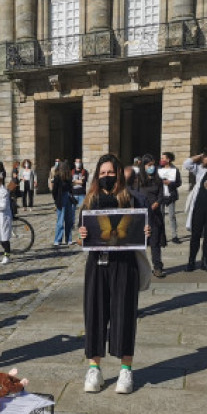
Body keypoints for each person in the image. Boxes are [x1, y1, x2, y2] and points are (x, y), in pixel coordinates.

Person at [78, 154, 150, 395]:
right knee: (95, 314)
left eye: (111, 172)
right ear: (97, 175)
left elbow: (142, 230)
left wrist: (145, 230)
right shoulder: (90, 200)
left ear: (118, 174)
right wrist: (82, 235)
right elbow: (81, 237)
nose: (107, 176)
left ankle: (126, 370)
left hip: (124, 264)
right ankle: (94, 369)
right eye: (103, 173)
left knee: (124, 314)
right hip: (97, 263)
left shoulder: (131, 198)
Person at [139, 155, 166, 278]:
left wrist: (156, 203)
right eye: (149, 165)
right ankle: (140, 268)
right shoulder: (138, 180)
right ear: (143, 166)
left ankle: (157, 267)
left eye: (153, 165)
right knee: (140, 244)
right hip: (141, 215)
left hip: (155, 215)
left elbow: (161, 195)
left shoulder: (158, 179)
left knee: (155, 243)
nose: (151, 167)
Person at [157, 152, 182, 244]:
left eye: (163, 158)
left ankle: (174, 236)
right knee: (161, 216)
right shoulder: (158, 169)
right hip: (161, 195)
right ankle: (161, 236)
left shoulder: (175, 170)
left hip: (171, 195)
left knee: (172, 216)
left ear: (168, 160)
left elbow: (179, 183)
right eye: (161, 158)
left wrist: (170, 183)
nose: (161, 160)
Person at [52, 161, 73, 246]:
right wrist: (56, 200)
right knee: (60, 221)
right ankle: (58, 239)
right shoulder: (57, 177)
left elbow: (70, 188)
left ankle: (68, 239)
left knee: (68, 220)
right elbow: (54, 191)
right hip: (61, 199)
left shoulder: (68, 177)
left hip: (68, 197)